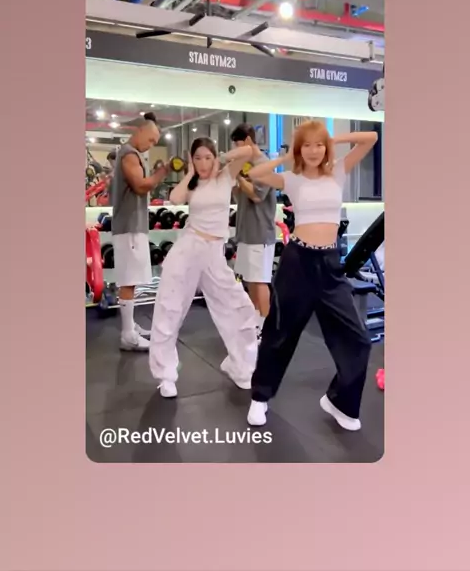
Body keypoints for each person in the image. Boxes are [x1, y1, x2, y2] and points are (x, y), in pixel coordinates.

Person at [245, 120, 378, 432]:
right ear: (299, 149)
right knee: (279, 333)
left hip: (330, 264)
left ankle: (339, 401)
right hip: (298, 263)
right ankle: (260, 397)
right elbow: (255, 174)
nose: (314, 151)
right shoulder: (292, 179)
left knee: (358, 340)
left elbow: (371, 137)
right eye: (307, 145)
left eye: (319, 145)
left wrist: (332, 138)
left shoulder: (338, 170)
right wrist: (284, 158)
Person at [149, 137, 259, 398]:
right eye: (197, 158)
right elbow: (175, 198)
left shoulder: (226, 176)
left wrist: (221, 158)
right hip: (188, 249)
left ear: (215, 157)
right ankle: (165, 375)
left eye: (207, 157)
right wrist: (189, 172)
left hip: (214, 254)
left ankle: (240, 366)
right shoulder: (193, 183)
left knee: (239, 306)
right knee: (169, 309)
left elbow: (249, 151)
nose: (203, 163)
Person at [111, 113, 169, 351]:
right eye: (152, 139)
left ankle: (130, 327)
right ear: (140, 131)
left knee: (132, 280)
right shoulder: (129, 154)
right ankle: (128, 336)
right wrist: (163, 171)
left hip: (132, 227)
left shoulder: (131, 155)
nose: (152, 145)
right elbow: (140, 185)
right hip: (129, 228)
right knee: (129, 280)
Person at [230, 123, 277, 336]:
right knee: (249, 280)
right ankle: (254, 321)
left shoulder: (263, 164)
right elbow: (238, 196)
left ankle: (266, 329)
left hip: (260, 233)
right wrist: (234, 177)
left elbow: (257, 196)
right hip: (245, 232)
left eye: (239, 145)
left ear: (248, 141)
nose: (237, 150)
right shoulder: (244, 166)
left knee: (260, 281)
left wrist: (239, 178)